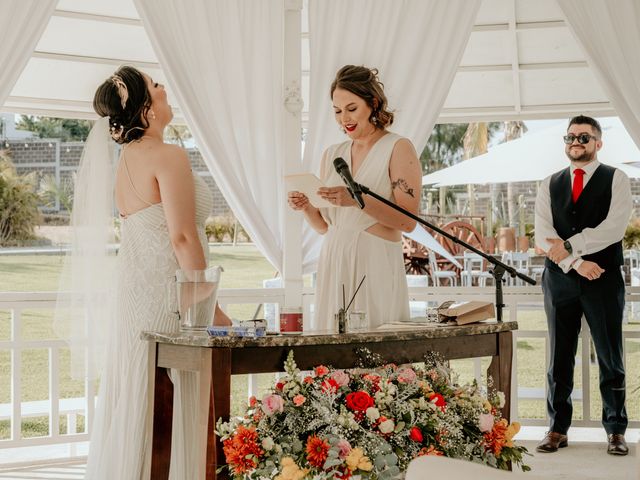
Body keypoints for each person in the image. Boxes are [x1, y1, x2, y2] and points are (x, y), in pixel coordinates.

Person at [74, 65, 231, 479]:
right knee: (174, 401)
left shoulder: (128, 159)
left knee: (139, 397)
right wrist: (212, 308)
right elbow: (181, 238)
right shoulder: (167, 155)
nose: (165, 89)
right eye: (157, 85)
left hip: (135, 301)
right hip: (172, 301)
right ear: (145, 107)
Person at [288, 65, 421, 330]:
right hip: (335, 257)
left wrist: (354, 199)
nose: (343, 119)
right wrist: (307, 208)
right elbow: (325, 226)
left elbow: (408, 222)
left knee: (374, 346)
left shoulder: (397, 147)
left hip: (375, 258)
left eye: (351, 108)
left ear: (372, 103)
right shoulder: (332, 153)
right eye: (337, 111)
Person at [534, 115, 631, 456]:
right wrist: (576, 262)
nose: (576, 142)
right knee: (559, 356)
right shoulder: (548, 183)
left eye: (584, 137)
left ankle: (616, 429)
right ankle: (557, 428)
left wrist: (573, 245)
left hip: (603, 279)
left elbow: (614, 228)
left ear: (598, 143)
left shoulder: (616, 179)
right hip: (560, 279)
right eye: (571, 137)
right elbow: (544, 235)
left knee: (610, 355)